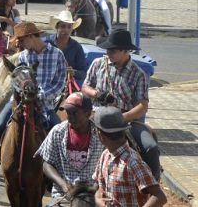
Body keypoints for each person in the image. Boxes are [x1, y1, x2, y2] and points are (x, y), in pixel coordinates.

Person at [81, 29, 160, 181]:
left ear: (125, 51)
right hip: (95, 115)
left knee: (151, 147)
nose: (109, 53)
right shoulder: (98, 64)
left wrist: (121, 118)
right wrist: (97, 94)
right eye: (108, 49)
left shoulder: (139, 74)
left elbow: (142, 106)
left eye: (113, 50)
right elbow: (85, 87)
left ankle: (152, 184)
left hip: (126, 120)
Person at [0, 22, 67, 146]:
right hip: (21, 101)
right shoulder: (23, 56)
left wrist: (40, 95)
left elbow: (59, 83)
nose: (20, 44)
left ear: (31, 36)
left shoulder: (57, 54)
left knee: (61, 134)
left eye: (21, 40)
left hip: (45, 104)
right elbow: (17, 81)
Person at [92, 107, 166, 207]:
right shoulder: (105, 155)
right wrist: (102, 203)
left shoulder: (132, 162)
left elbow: (160, 197)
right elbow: (97, 190)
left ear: (100, 135)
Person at [36, 93, 105, 201]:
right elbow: (46, 163)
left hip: (92, 194)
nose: (70, 117)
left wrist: (97, 188)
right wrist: (63, 184)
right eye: (68, 113)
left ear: (87, 113)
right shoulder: (57, 132)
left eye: (74, 113)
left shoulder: (100, 135)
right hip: (62, 195)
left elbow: (107, 167)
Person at [45, 10, 87, 87]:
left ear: (72, 29)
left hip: (67, 86)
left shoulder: (77, 47)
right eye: (63, 26)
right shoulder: (46, 43)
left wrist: (73, 72)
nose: (66, 30)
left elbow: (84, 73)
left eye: (69, 27)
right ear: (57, 27)